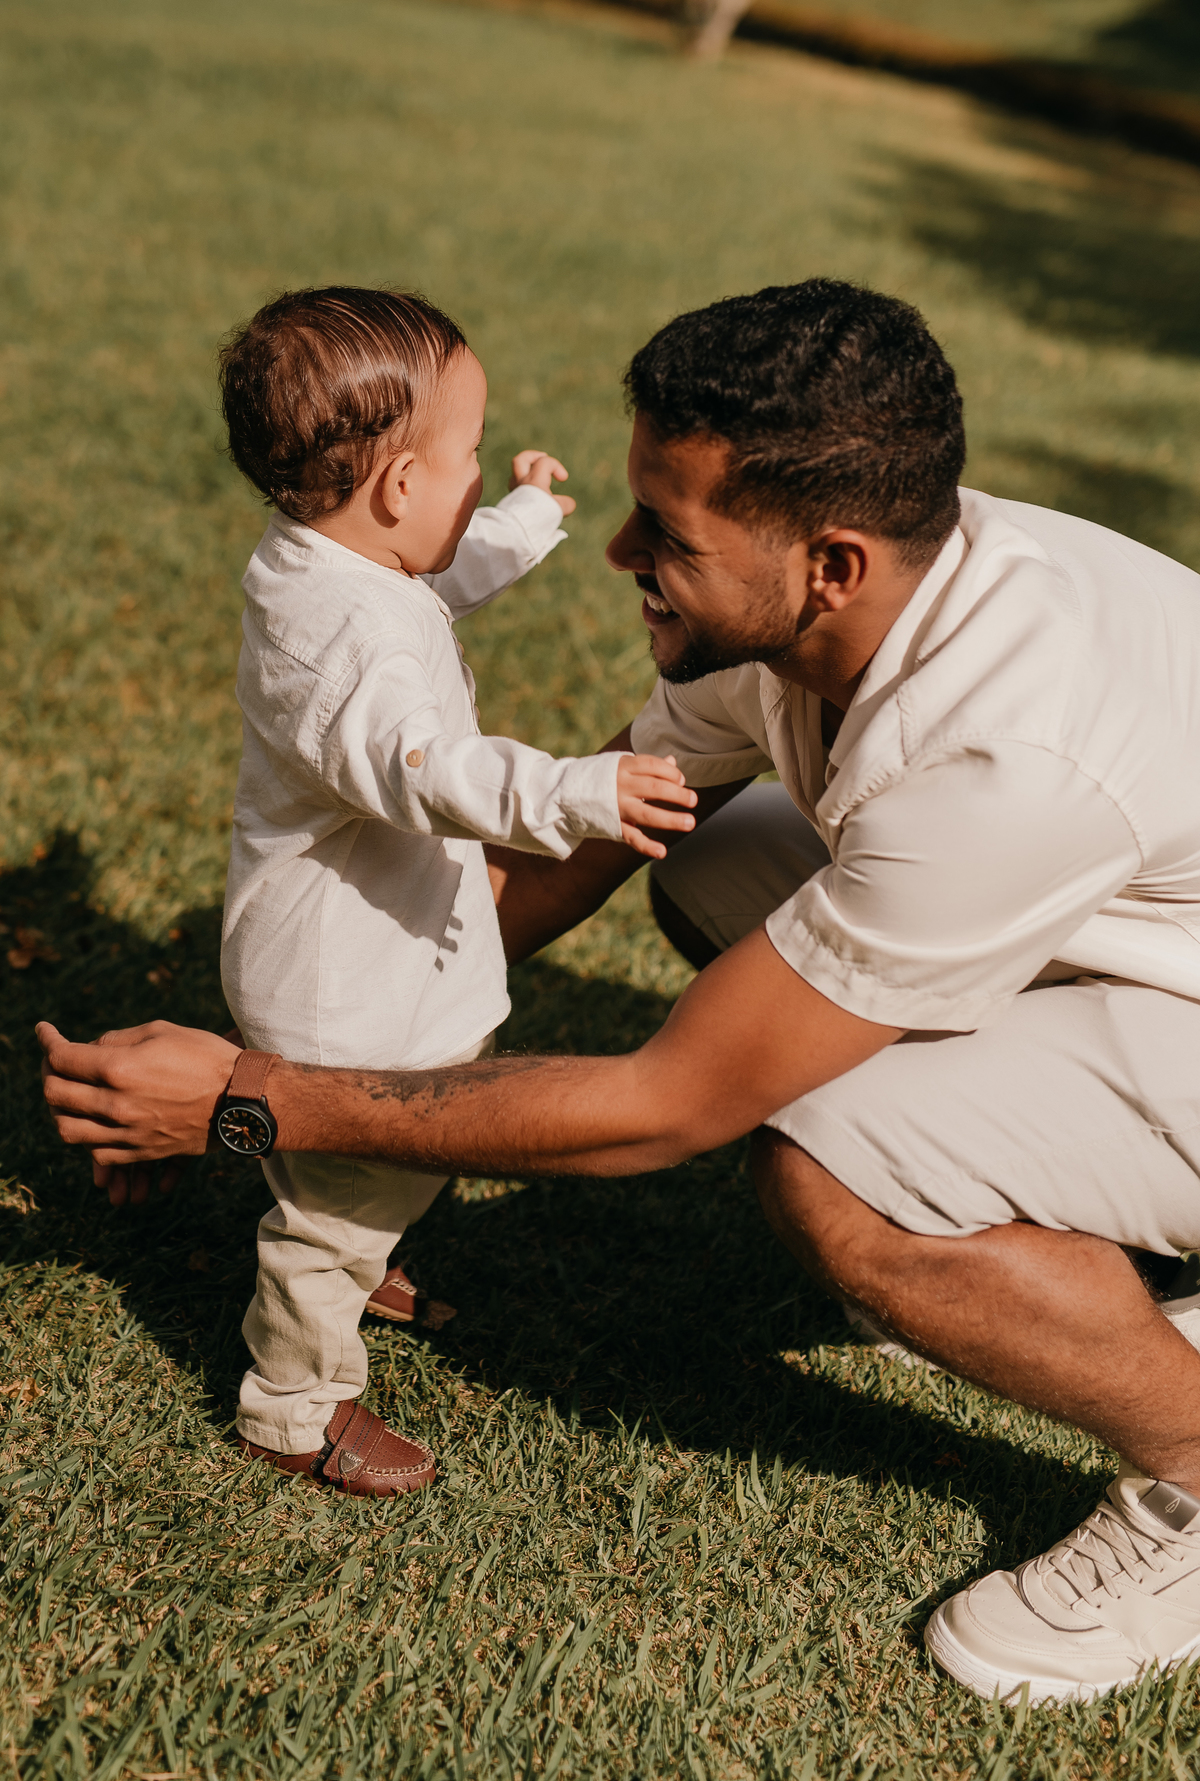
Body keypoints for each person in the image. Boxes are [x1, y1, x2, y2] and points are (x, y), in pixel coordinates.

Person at [40, 279, 1200, 1705]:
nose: (617, 550)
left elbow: (665, 1107)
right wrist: (345, 1019)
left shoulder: (1002, 763)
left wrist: (250, 1100)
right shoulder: (843, 589)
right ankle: (1099, 1227)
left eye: (668, 534)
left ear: (829, 566)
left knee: (833, 1172)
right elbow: (597, 829)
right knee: (705, 855)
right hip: (1133, 929)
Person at [178, 287, 696, 1500]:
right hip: (344, 988)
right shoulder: (341, 646)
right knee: (338, 1203)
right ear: (400, 486)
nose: (475, 473)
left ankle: (364, 1246)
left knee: (391, 1155)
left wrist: (516, 520)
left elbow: (430, 584)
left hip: (377, 957)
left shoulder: (337, 563)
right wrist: (574, 790)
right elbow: (423, 769)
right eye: (470, 455)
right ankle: (294, 1398)